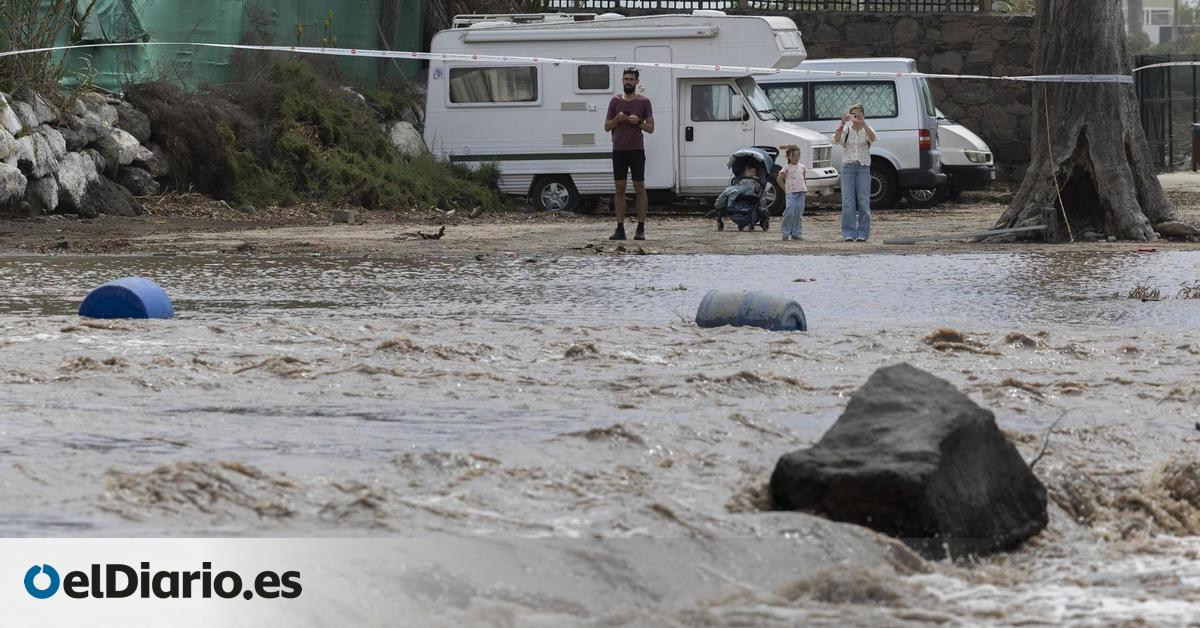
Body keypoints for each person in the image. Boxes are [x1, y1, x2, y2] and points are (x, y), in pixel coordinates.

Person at [604, 67, 654, 240]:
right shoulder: (615, 101)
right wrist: (617, 119)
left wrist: (638, 122)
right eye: (626, 79)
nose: (628, 82)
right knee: (620, 188)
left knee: (639, 187)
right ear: (622, 80)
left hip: (636, 150)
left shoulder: (644, 102)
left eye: (631, 79)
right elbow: (606, 127)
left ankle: (641, 228)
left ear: (637, 82)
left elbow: (651, 128)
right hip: (618, 150)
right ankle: (620, 228)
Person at [832, 103, 876, 242]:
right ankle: (849, 233)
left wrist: (864, 123)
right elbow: (836, 140)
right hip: (847, 168)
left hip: (863, 167)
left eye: (858, 114)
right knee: (847, 202)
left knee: (863, 201)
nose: (856, 117)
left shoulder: (867, 130)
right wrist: (841, 123)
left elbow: (873, 138)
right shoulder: (846, 130)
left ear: (863, 115)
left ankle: (863, 233)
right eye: (853, 114)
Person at [777, 145, 807, 241]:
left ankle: (796, 233)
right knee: (789, 212)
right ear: (789, 157)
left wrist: (804, 188)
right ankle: (785, 232)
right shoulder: (786, 168)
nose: (796, 158)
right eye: (793, 156)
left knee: (798, 214)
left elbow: (803, 178)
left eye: (798, 155)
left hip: (801, 193)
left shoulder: (802, 167)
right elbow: (779, 179)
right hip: (791, 193)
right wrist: (786, 189)